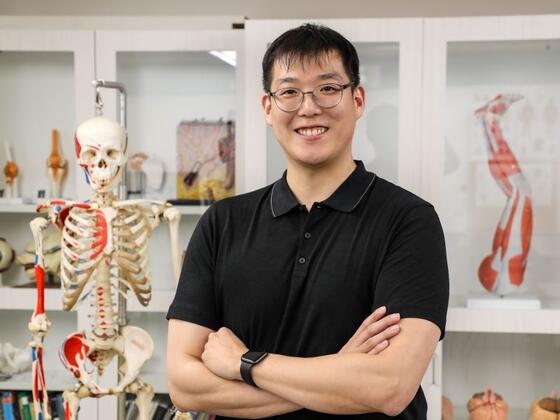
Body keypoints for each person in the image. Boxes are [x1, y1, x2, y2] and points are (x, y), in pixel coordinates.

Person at [166, 23, 449, 419]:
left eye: (328, 88)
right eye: (289, 91)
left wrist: (245, 363)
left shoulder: (409, 222)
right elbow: (183, 384)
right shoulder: (222, 224)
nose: (309, 107)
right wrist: (340, 369)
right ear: (268, 107)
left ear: (358, 99)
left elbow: (390, 387)